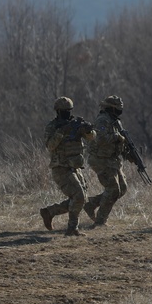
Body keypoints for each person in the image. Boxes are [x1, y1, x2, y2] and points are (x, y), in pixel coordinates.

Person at [39, 96, 96, 237]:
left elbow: (91, 138)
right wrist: (62, 131)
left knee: (80, 199)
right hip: (60, 167)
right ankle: (72, 229)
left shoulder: (75, 124)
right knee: (79, 197)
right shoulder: (52, 127)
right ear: (57, 112)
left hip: (75, 167)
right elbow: (50, 146)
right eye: (63, 111)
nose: (67, 113)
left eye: (69, 111)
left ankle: (50, 212)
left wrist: (89, 130)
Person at [84, 95, 130, 228]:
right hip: (100, 159)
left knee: (122, 188)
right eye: (117, 109)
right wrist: (117, 137)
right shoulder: (103, 120)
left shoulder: (115, 121)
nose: (119, 111)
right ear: (111, 108)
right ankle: (100, 221)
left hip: (112, 159)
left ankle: (91, 204)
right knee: (113, 189)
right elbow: (100, 138)